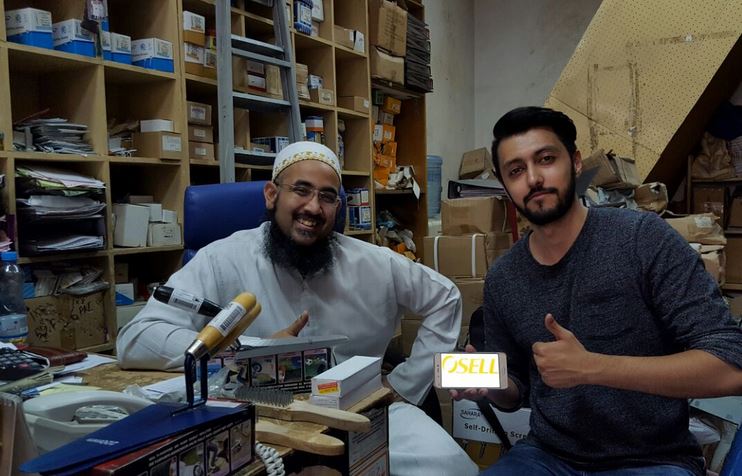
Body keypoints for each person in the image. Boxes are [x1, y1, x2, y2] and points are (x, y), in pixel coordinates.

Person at [117, 141, 478, 476]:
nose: (313, 208)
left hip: (362, 409)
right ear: (272, 195)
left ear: (337, 208)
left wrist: (404, 385)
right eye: (301, 190)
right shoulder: (223, 259)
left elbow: (445, 298)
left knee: (452, 466)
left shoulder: (374, 263)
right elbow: (136, 338)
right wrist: (244, 352)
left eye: (327, 197)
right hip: (258, 414)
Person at [452, 106, 742, 476]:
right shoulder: (504, 277)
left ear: (575, 162)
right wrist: (490, 386)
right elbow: (515, 392)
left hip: (651, 459)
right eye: (516, 170)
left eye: (546, 159)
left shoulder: (642, 240)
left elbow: (731, 367)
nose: (534, 178)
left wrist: (593, 368)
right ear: (505, 185)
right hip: (547, 456)